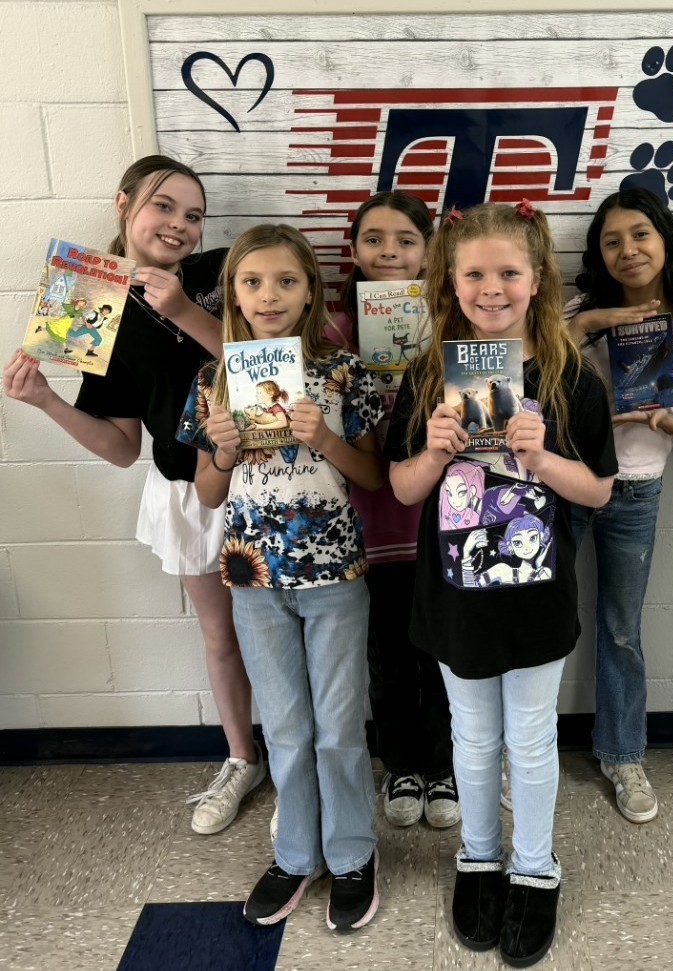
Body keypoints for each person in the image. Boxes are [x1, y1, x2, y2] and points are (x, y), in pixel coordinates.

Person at [385, 201, 617, 966]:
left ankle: (535, 868)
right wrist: (433, 450)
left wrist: (542, 457)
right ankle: (477, 858)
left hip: (534, 593)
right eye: (474, 272)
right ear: (449, 281)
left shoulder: (565, 375)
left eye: (508, 272)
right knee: (473, 738)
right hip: (454, 596)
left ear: (536, 279)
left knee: (530, 736)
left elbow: (599, 490)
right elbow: (403, 488)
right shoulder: (427, 375)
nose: (492, 288)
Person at [3, 155, 263, 835]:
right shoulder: (87, 299)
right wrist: (45, 401)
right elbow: (120, 447)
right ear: (124, 204)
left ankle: (301, 762)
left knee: (279, 634)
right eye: (164, 206)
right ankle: (242, 757)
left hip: (267, 481)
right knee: (220, 637)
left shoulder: (219, 274)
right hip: (183, 486)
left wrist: (181, 309)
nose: (179, 225)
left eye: (193, 214)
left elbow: (268, 360)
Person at [178, 223, 383, 931]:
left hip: (333, 573)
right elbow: (207, 494)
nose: (269, 295)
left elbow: (373, 474)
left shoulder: (341, 372)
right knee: (289, 729)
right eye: (253, 281)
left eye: (286, 281)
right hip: (252, 579)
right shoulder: (213, 380)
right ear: (232, 291)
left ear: (309, 291)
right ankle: (297, 852)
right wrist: (223, 453)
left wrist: (322, 438)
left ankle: (353, 850)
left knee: (337, 728)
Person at [567, 187, 673, 823]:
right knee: (543, 620)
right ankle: (516, 749)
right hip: (568, 482)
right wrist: (593, 325)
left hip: (637, 488)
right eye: (612, 240)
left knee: (621, 628)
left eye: (640, 235)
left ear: (666, 241)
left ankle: (623, 752)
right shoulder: (577, 314)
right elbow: (522, 373)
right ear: (599, 253)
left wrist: (666, 422)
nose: (628, 250)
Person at [330, 191, 460, 830]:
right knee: (384, 650)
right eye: (375, 239)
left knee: (438, 650)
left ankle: (444, 766)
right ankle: (401, 763)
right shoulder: (328, 332)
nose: (390, 251)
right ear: (352, 249)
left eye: (406, 239)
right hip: (366, 516)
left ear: (430, 249)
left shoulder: (455, 321)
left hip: (440, 517)